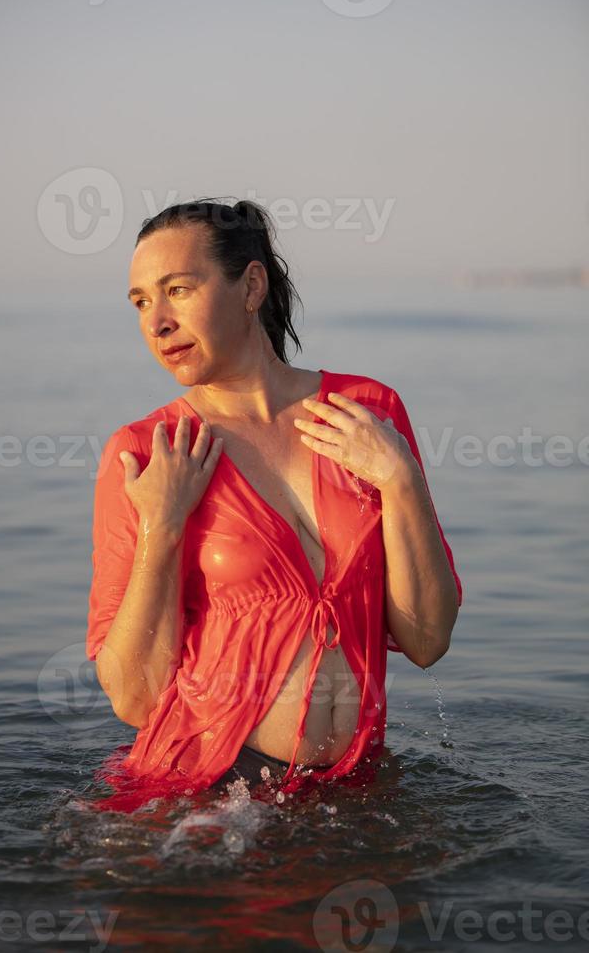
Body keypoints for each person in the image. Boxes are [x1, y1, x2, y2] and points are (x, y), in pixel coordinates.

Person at [86, 198, 463, 811]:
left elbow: (428, 640)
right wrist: (163, 526)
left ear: (251, 285)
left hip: (354, 789)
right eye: (140, 302)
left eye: (177, 289)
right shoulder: (149, 453)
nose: (156, 322)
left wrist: (400, 480)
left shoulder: (367, 414)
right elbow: (133, 698)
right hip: (207, 797)